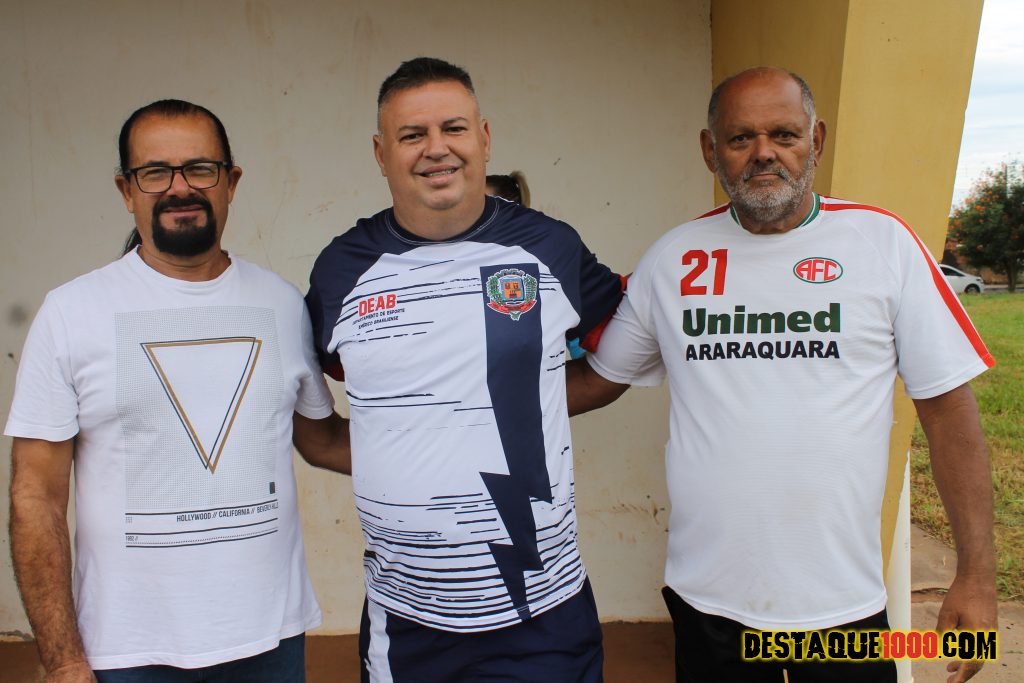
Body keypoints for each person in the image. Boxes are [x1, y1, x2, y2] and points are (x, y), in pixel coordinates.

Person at [567, 67, 997, 683]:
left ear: (815, 141)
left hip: (843, 608)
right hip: (708, 605)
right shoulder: (673, 259)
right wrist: (468, 396)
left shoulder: (883, 244)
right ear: (710, 150)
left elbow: (949, 408)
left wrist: (977, 577)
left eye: (784, 135)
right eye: (740, 138)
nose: (763, 153)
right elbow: (597, 381)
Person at [6, 99, 351, 683]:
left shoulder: (281, 303)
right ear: (126, 190)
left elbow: (323, 441)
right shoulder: (71, 312)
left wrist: (454, 443)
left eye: (199, 169)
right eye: (155, 172)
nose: (179, 187)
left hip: (269, 640)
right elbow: (35, 495)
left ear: (231, 182)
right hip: (126, 652)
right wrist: (63, 660)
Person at [306, 57, 623, 682]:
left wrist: (537, 404)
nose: (436, 148)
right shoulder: (341, 268)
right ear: (380, 153)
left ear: (484, 137)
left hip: (545, 612)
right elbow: (328, 402)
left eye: (453, 128)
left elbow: (627, 337)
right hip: (406, 621)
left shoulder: (551, 246)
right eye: (412, 134)